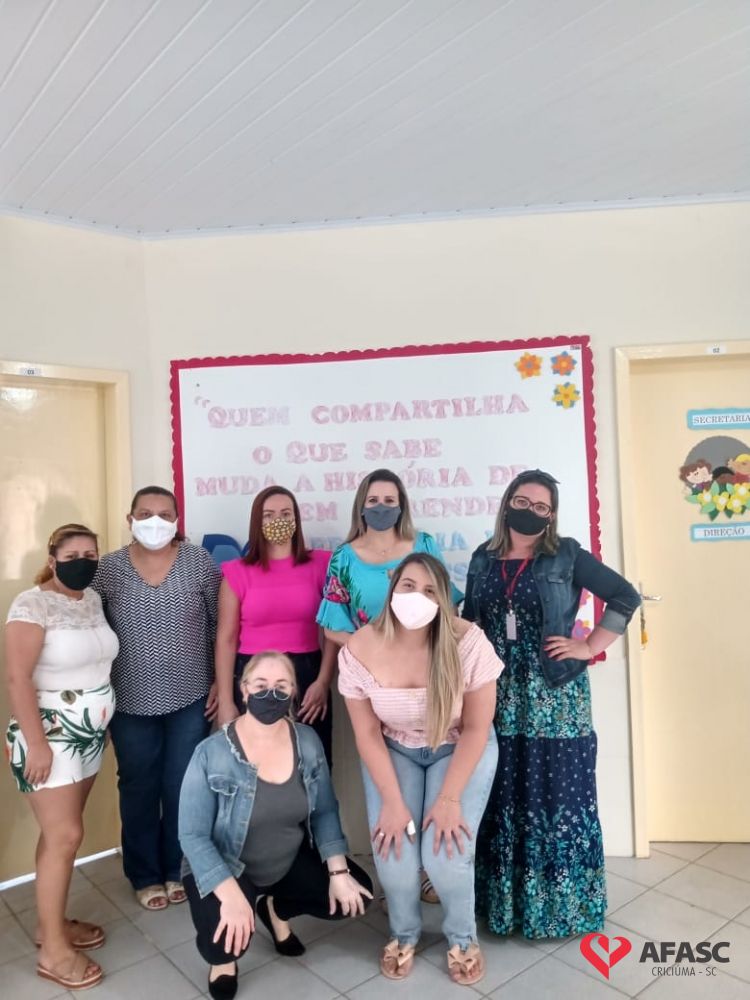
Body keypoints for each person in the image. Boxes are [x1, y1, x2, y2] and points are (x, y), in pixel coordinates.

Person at [462, 469, 641, 939]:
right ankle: (505, 906)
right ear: (507, 503)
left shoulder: (566, 555)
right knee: (501, 792)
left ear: (551, 515)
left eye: (541, 507)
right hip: (497, 691)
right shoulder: (482, 558)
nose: (531, 511)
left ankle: (560, 908)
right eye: (523, 502)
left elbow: (625, 596)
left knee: (557, 794)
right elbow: (469, 621)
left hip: (554, 693)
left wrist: (589, 646)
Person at [339, 553, 501, 986]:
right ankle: (403, 932)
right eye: (409, 586)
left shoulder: (469, 642)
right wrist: (392, 803)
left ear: (444, 599)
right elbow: (367, 734)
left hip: (458, 746)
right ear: (393, 589)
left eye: (430, 591)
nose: (417, 597)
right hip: (395, 748)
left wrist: (449, 800)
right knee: (392, 852)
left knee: (445, 855)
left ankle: (463, 938)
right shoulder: (359, 648)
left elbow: (477, 728)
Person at [179, 651, 373, 1000]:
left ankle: (274, 909)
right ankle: (224, 963)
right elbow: (192, 836)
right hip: (226, 866)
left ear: (293, 692)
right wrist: (231, 897)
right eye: (261, 685)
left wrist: (338, 872)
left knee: (355, 894)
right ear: (243, 690)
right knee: (224, 941)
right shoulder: (211, 753)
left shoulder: (307, 741)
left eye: (281, 687)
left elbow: (325, 811)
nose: (271, 695)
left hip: (285, 859)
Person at [93, 486, 222, 911]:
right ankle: (145, 874)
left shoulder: (198, 561)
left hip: (191, 695)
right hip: (129, 700)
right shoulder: (107, 569)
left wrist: (220, 682)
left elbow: (220, 625)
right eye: (145, 513)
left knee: (182, 785)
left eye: (165, 514)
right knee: (138, 786)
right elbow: (92, 630)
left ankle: (176, 868)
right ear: (129, 519)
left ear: (177, 520)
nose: (155, 521)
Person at [4, 524, 118, 991]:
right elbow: (17, 678)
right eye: (72, 555)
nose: (83, 562)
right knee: (66, 835)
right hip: (49, 736)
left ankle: (48, 926)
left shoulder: (91, 599)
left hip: (87, 736)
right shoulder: (31, 604)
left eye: (91, 554)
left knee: (59, 838)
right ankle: (53, 951)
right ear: (52, 560)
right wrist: (37, 743)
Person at [215, 486, 335, 764]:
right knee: (255, 767)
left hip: (306, 675)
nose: (277, 520)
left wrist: (323, 681)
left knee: (311, 765)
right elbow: (226, 639)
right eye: (268, 515)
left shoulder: (322, 564)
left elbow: (332, 631)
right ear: (257, 521)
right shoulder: (236, 572)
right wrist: (226, 700)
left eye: (285, 514)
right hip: (252, 676)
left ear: (296, 519)